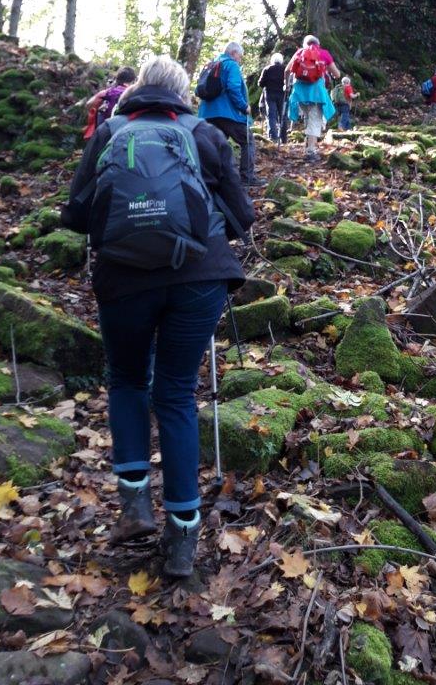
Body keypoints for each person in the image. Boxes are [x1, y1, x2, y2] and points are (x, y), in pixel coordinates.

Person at [61, 56, 255, 578]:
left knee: (126, 381)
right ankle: (183, 539)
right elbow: (244, 216)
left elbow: (76, 214)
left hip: (124, 279)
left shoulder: (109, 132)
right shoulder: (205, 134)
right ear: (183, 93)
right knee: (174, 393)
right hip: (198, 279)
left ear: (139, 90)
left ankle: (134, 506)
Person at [197, 42, 264, 187]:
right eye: (240, 57)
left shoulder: (211, 64)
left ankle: (215, 178)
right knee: (248, 141)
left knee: (216, 145)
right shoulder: (231, 65)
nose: (240, 60)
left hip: (206, 113)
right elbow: (233, 88)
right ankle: (247, 177)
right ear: (233, 53)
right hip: (226, 113)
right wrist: (244, 106)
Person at [286, 35, 339, 161]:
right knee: (315, 121)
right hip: (316, 94)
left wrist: (286, 85)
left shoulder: (299, 53)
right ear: (318, 44)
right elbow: (337, 74)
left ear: (305, 44)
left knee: (308, 117)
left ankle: (308, 143)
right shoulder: (324, 54)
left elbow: (287, 70)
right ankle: (311, 152)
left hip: (299, 93)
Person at [82, 66, 136, 140]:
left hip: (106, 131)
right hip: (124, 134)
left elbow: (89, 104)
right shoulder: (135, 95)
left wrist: (99, 109)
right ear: (133, 80)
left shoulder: (109, 92)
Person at [257, 52, 286, 144]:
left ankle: (273, 137)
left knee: (271, 115)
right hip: (282, 95)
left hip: (270, 95)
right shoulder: (285, 69)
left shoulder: (267, 69)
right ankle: (284, 138)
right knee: (282, 115)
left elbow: (261, 83)